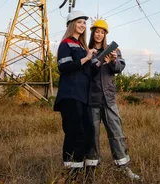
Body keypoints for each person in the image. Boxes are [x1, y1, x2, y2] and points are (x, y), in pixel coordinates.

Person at [85, 19, 140, 180]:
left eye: (102, 32)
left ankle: (124, 168)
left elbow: (120, 68)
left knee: (117, 134)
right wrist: (98, 61)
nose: (99, 34)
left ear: (105, 34)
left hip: (109, 99)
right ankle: (92, 170)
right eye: (96, 31)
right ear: (93, 33)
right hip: (92, 99)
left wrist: (114, 61)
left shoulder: (113, 50)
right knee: (92, 136)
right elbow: (87, 72)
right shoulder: (87, 51)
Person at [53, 10, 96, 174]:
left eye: (84, 23)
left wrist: (99, 62)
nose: (83, 25)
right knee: (74, 132)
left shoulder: (82, 46)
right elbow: (64, 67)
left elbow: (88, 72)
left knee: (88, 132)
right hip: (70, 95)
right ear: (72, 24)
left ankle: (80, 167)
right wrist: (85, 58)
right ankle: (71, 171)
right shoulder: (66, 44)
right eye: (79, 22)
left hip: (83, 96)